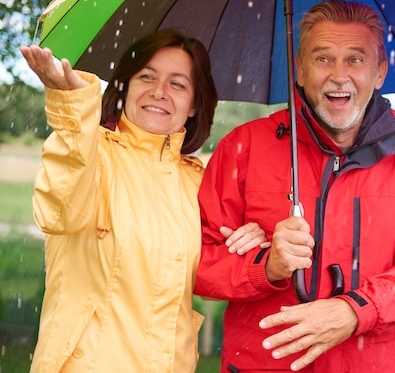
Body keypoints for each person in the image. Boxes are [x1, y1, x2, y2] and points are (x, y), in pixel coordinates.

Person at [194, 0, 395, 372]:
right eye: (322, 59)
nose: (339, 75)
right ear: (300, 70)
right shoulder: (244, 147)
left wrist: (355, 312)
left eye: (355, 59)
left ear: (380, 71)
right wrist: (266, 267)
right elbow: (196, 262)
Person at [20, 30, 269, 373]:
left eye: (178, 84)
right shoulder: (91, 150)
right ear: (125, 86)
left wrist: (251, 245)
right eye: (147, 77)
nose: (159, 92)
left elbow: (211, 279)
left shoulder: (198, 181)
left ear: (195, 103)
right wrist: (74, 115)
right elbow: (58, 214)